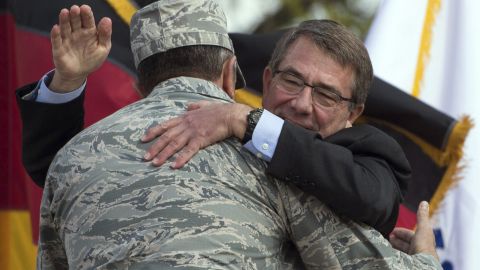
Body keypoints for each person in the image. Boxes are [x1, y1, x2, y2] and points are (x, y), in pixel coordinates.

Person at [32, 1, 441, 269]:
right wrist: (425, 261)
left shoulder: (280, 155)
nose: (301, 103)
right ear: (244, 78)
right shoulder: (259, 162)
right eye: (292, 81)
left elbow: (67, 175)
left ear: (355, 113)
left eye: (327, 95)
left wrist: (245, 122)